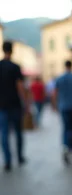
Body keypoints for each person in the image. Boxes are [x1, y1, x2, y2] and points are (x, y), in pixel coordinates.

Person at [0, 41, 29, 172]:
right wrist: (26, 103)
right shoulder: (15, 67)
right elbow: (20, 86)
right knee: (18, 132)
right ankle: (20, 157)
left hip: (2, 106)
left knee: (4, 133)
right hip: (15, 104)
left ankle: (7, 161)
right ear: (12, 51)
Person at [52, 60, 72, 165]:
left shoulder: (59, 78)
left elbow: (54, 93)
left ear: (64, 66)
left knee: (66, 128)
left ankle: (66, 146)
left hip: (64, 107)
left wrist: (54, 105)